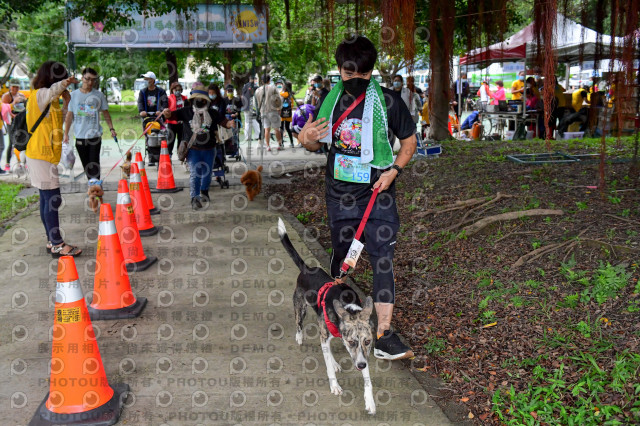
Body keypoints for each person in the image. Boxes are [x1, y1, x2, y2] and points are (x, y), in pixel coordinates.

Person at [296, 35, 417, 360]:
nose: (356, 82)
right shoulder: (330, 101)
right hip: (340, 196)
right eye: (350, 76)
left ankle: (384, 336)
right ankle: (339, 311)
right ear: (340, 71)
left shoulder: (389, 101)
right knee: (342, 255)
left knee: (382, 259)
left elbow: (409, 143)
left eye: (363, 76)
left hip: (379, 194)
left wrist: (395, 172)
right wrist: (306, 136)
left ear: (371, 71)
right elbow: (314, 143)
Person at [25, 61, 82, 256]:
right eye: (61, 78)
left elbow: (60, 118)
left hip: (44, 154)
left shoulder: (49, 98)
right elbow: (53, 91)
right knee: (51, 199)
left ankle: (52, 241)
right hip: (41, 155)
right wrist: (66, 82)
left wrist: (66, 101)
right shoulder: (41, 94)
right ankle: (57, 243)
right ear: (53, 79)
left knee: (46, 198)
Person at [162, 82, 234, 210]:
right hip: (193, 150)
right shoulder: (186, 111)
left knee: (206, 174)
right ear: (193, 99)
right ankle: (194, 198)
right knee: (195, 174)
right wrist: (167, 113)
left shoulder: (212, 113)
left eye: (202, 99)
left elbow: (223, 122)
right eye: (197, 99)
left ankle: (204, 191)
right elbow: (172, 115)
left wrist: (229, 124)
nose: (199, 101)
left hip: (210, 149)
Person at [63, 67, 116, 181]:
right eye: (87, 79)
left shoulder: (99, 95)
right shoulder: (74, 95)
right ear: (82, 78)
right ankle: (92, 186)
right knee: (87, 165)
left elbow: (106, 113)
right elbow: (69, 115)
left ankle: (96, 187)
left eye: (93, 80)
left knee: (94, 163)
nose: (90, 82)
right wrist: (66, 134)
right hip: (80, 136)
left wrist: (112, 129)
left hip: (94, 136)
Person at [137, 71, 168, 166]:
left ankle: (160, 156)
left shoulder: (161, 91)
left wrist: (161, 110)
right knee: (148, 136)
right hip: (147, 117)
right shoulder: (143, 92)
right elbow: (140, 102)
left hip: (158, 117)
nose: (146, 81)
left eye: (147, 79)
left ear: (153, 80)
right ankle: (151, 156)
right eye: (145, 79)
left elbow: (165, 102)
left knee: (159, 136)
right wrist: (141, 111)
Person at [2, 79, 26, 171]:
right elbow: (4, 110)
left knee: (21, 141)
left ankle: (20, 162)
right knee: (12, 141)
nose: (15, 88)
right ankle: (7, 163)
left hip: (20, 121)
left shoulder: (21, 95)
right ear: (10, 87)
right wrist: (14, 103)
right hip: (11, 121)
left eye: (17, 87)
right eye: (13, 86)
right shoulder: (7, 96)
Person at [255, 75, 283, 152]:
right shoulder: (273, 88)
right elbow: (278, 99)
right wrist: (279, 108)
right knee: (276, 128)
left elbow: (256, 102)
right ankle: (279, 144)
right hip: (273, 110)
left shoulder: (258, 90)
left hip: (263, 111)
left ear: (261, 81)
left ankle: (268, 146)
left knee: (266, 129)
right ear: (269, 80)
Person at [166, 81, 188, 159]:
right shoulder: (169, 98)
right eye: (175, 90)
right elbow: (166, 109)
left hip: (181, 122)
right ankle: (169, 155)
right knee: (170, 140)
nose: (177, 91)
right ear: (172, 90)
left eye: (179, 90)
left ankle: (180, 154)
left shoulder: (185, 98)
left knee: (181, 140)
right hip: (171, 122)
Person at [241, 76, 260, 142]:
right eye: (256, 79)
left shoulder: (245, 86)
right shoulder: (255, 86)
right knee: (255, 121)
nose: (256, 81)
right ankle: (257, 136)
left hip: (246, 106)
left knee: (247, 122)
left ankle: (247, 137)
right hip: (252, 106)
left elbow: (242, 96)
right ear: (253, 79)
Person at [278, 81, 295, 148]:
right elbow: (292, 105)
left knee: (281, 128)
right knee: (288, 128)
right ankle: (292, 142)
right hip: (288, 113)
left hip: (282, 113)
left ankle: (281, 143)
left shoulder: (280, 94)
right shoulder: (291, 95)